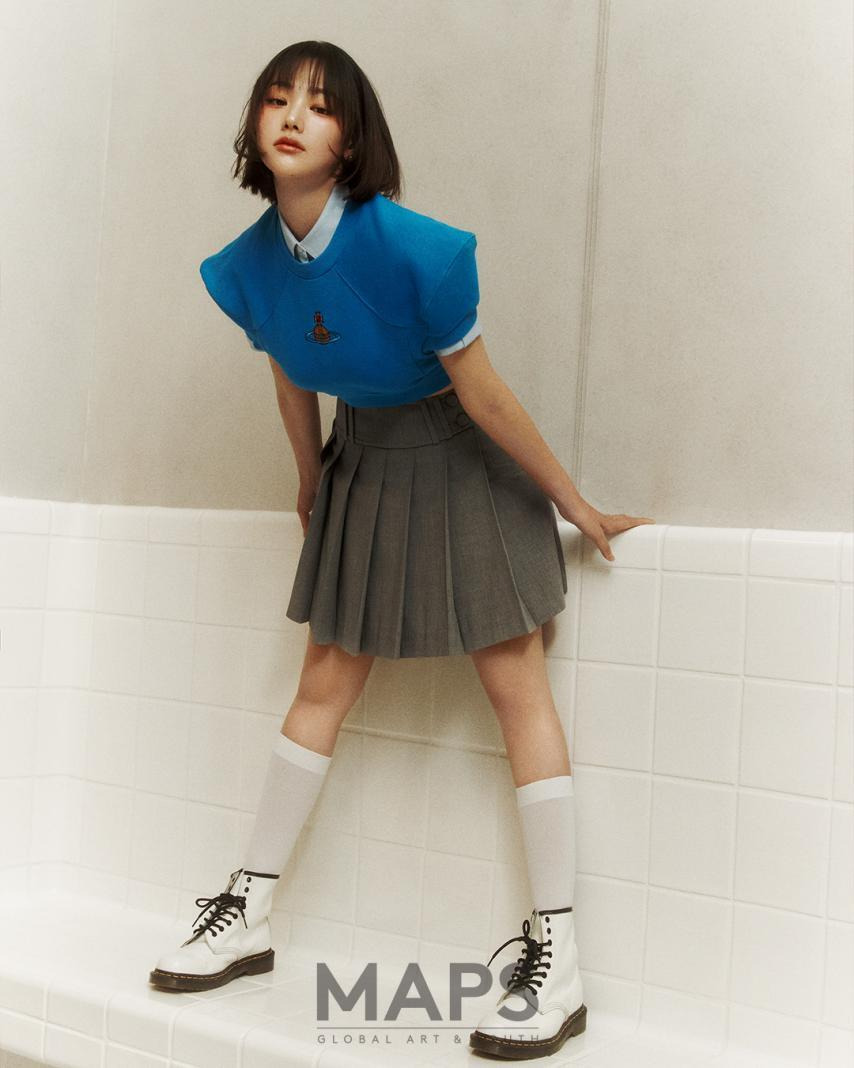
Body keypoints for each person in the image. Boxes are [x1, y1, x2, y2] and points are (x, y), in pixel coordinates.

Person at [148, 40, 654, 1060]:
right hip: (364, 458)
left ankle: (557, 957)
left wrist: (574, 505)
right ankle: (246, 914)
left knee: (513, 680)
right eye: (276, 98)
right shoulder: (247, 267)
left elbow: (486, 398)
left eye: (319, 104)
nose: (294, 115)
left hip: (459, 455)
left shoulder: (419, 251)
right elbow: (291, 373)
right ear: (255, 125)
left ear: (351, 139)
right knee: (325, 678)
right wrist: (308, 477)